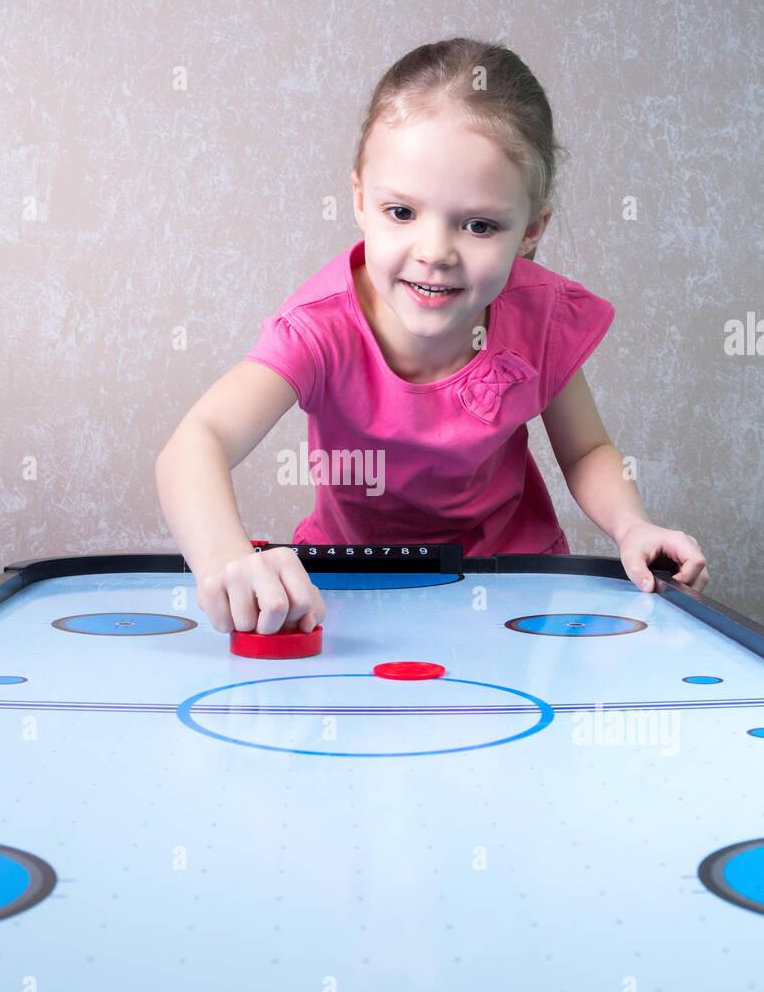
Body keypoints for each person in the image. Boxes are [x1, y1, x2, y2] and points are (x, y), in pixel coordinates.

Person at [156, 38, 709, 635]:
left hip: (514, 586)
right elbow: (197, 442)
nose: (434, 253)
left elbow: (586, 451)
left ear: (530, 230)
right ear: (361, 200)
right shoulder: (320, 331)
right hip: (352, 587)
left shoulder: (540, 317)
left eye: (479, 225)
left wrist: (633, 527)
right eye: (402, 213)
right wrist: (225, 557)